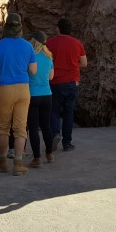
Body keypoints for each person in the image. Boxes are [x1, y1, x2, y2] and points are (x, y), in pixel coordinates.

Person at [0, 13, 37, 176]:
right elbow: (33, 70)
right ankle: (18, 163)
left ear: (6, 27)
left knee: (3, 128)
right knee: (20, 128)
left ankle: (2, 161)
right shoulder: (28, 46)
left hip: (5, 88)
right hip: (24, 89)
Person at [46, 19, 87, 152]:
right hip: (72, 82)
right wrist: (73, 66)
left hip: (55, 82)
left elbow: (45, 61)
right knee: (69, 113)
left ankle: (55, 133)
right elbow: (84, 63)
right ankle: (67, 143)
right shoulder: (77, 43)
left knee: (54, 110)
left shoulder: (50, 42)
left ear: (58, 29)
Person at [26, 31, 55, 167]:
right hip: (47, 94)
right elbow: (51, 77)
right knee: (46, 126)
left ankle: (37, 158)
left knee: (33, 128)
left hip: (32, 95)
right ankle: (49, 154)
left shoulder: (30, 57)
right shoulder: (49, 57)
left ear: (34, 42)